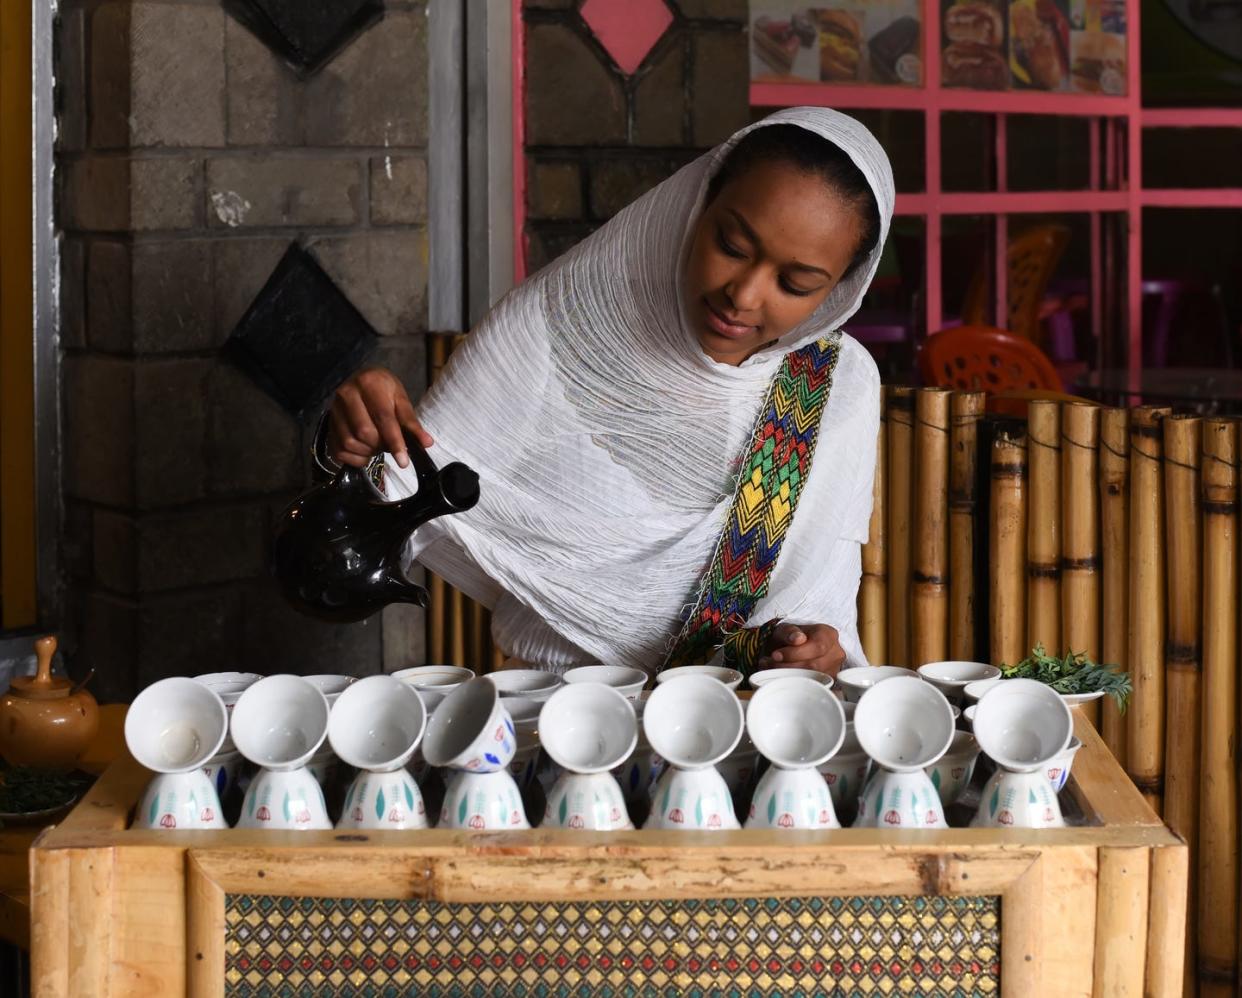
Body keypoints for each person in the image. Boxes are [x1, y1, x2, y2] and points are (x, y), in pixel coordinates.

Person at [323, 107, 893, 680]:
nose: (743, 295)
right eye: (732, 245)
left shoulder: (835, 388)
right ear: (696, 204)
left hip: (738, 729)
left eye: (795, 284)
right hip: (551, 717)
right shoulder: (553, 337)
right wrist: (354, 454)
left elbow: (820, 611)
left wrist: (813, 647)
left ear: (840, 291)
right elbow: (356, 545)